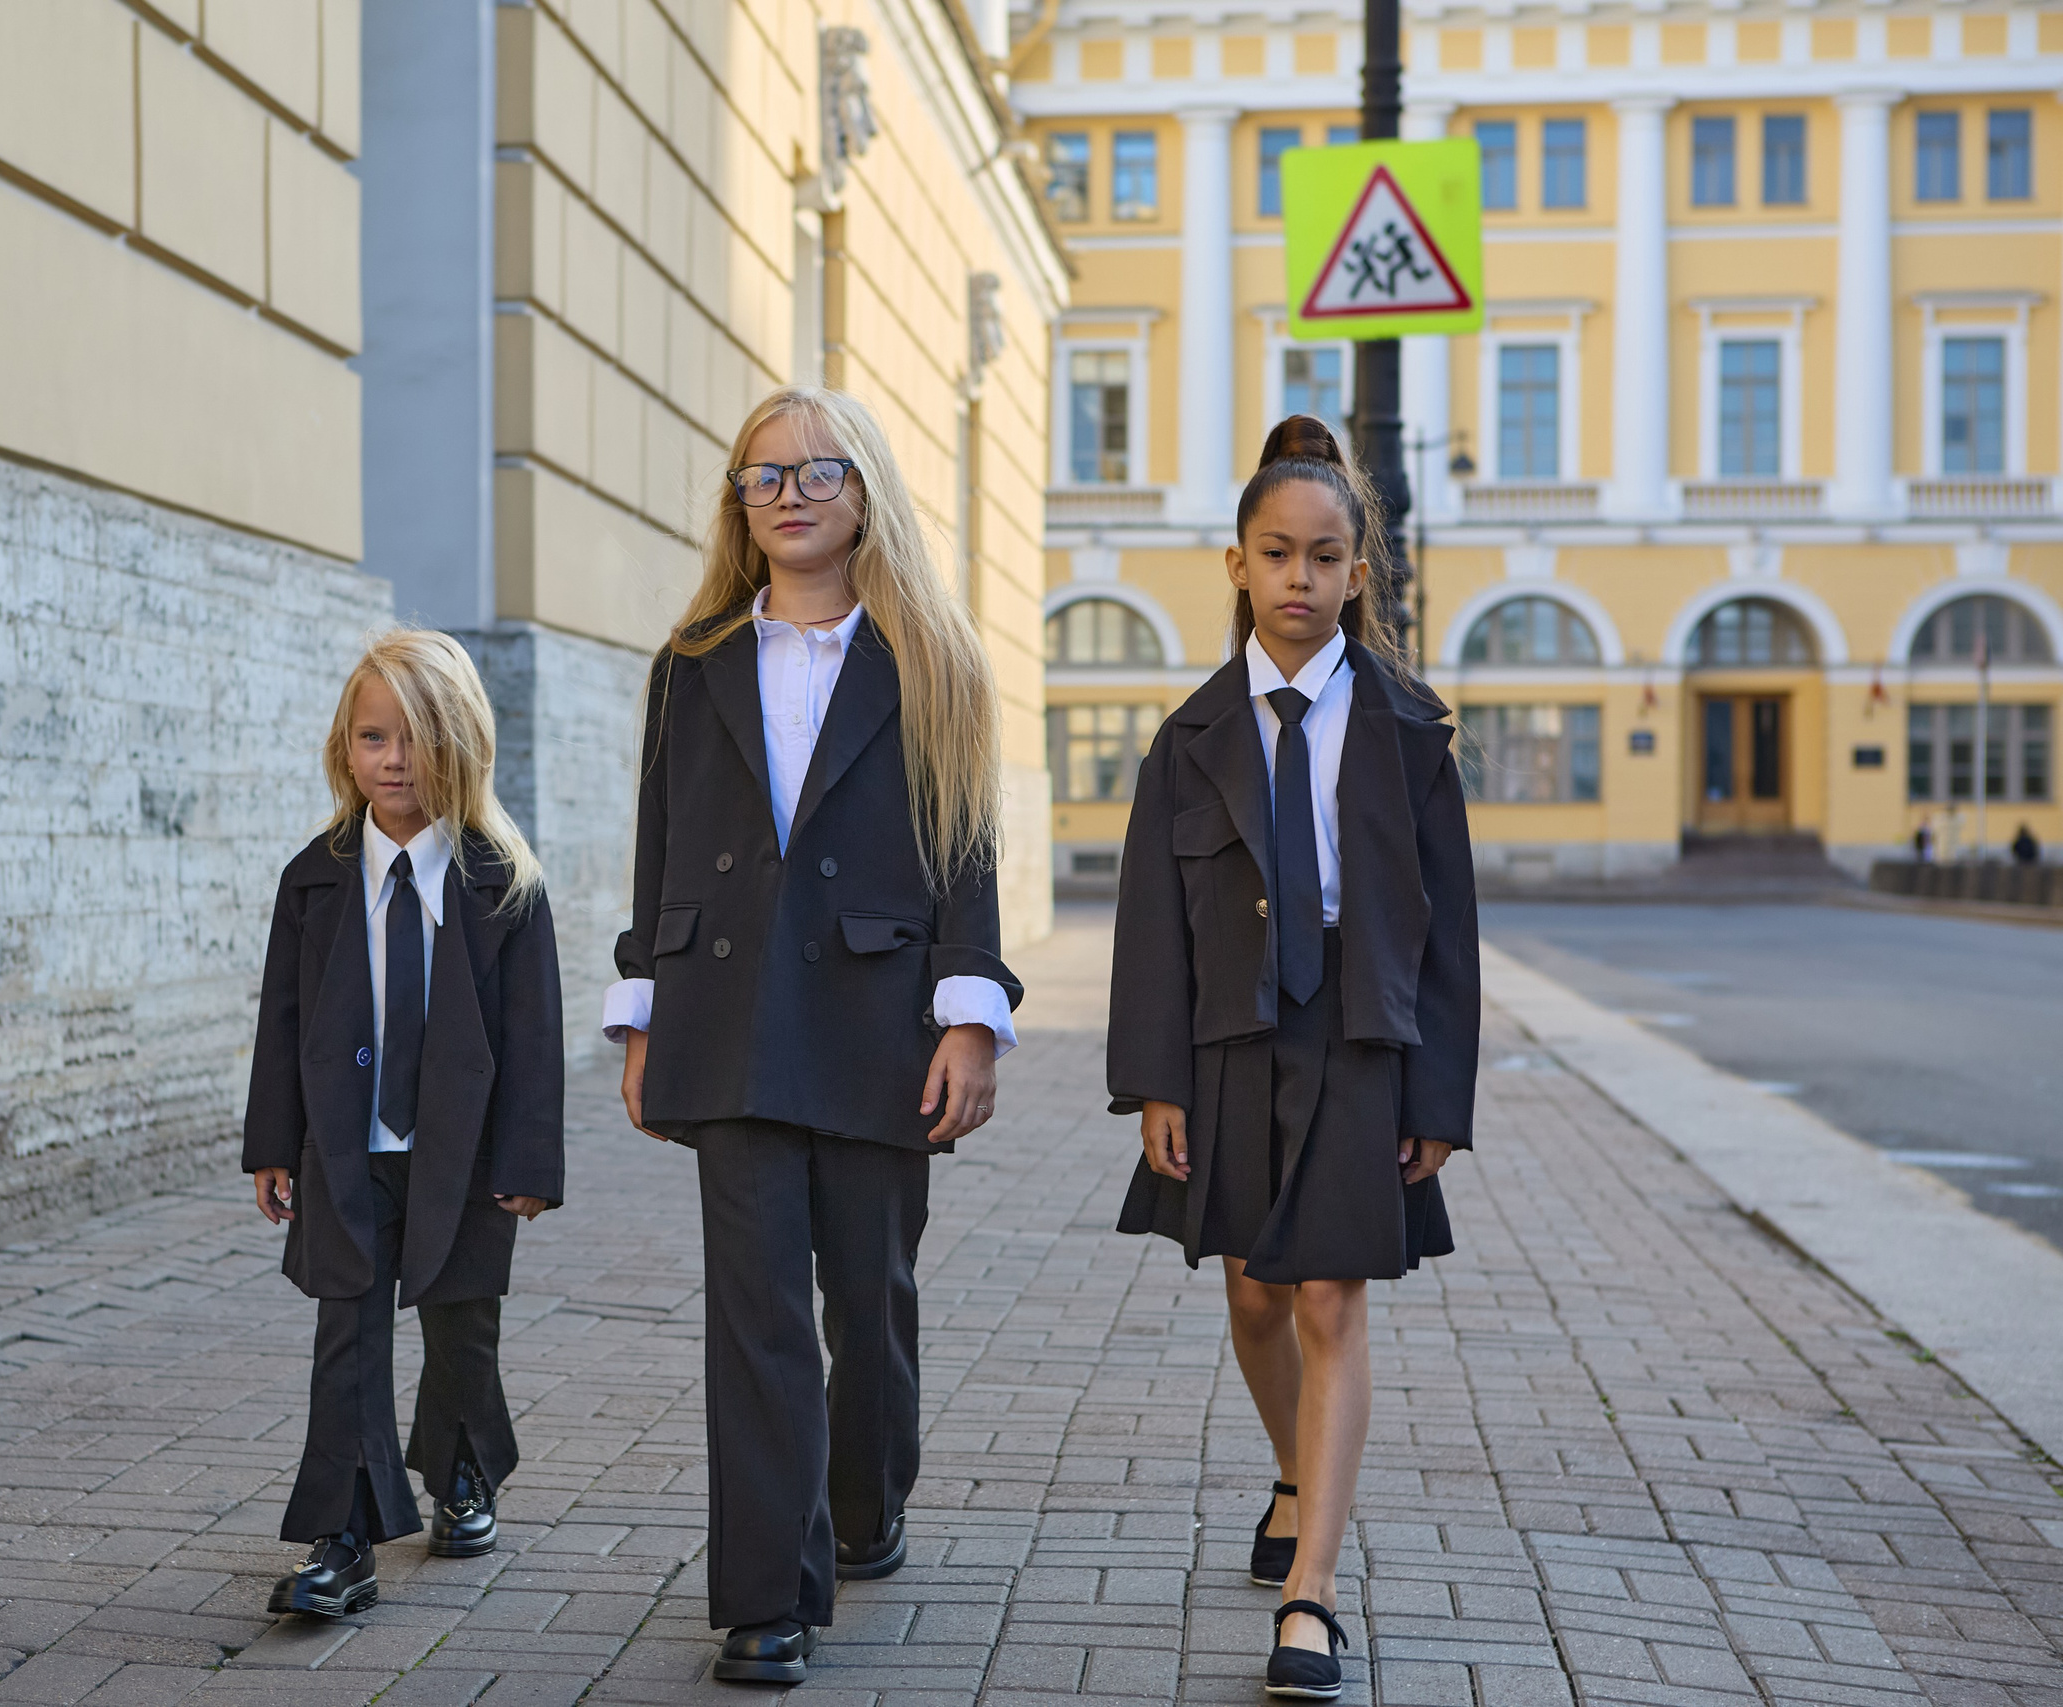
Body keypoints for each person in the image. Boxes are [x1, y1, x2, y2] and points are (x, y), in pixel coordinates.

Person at [604, 386, 1021, 1685]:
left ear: (866, 490)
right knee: (757, 1311)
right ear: (737, 503)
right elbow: (661, 847)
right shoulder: (691, 662)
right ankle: (767, 1596)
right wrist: (642, 1008)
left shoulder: (934, 658)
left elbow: (965, 850)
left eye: (816, 471)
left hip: (878, 1019)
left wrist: (970, 1016)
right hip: (728, 1016)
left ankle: (867, 1494)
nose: (788, 494)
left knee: (869, 1294)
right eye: (762, 476)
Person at [1108, 416, 1480, 1701]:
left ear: (1357, 573)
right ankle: (1291, 1473)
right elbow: (1150, 924)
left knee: (1328, 1299)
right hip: (1229, 1036)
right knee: (1257, 1294)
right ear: (1237, 565)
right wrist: (1156, 1081)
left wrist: (1438, 1095)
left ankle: (1311, 1594)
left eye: (1325, 558)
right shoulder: (1189, 738)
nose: (1300, 579)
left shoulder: (1409, 730)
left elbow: (1447, 929)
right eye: (1276, 554)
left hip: (1360, 1033)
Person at [243, 630, 565, 1619]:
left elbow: (534, 1035)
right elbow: (283, 1020)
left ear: (460, 743)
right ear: (345, 748)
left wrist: (530, 1159)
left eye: (416, 737)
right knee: (346, 1333)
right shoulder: (313, 879)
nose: (392, 760)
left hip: (463, 1155)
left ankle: (463, 1469)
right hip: (346, 1148)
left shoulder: (504, 882)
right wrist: (272, 1144)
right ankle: (342, 1537)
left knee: (461, 1321)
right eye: (372, 737)